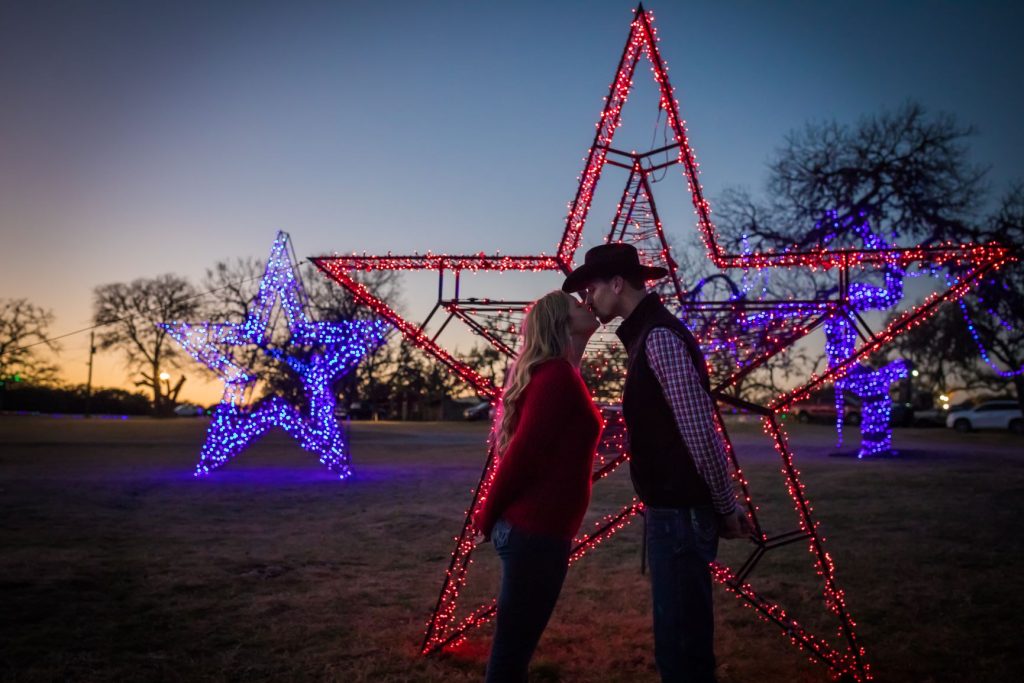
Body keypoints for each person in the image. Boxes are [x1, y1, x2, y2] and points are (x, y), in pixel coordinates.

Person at [562, 243, 751, 683]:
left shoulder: (660, 338)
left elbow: (699, 431)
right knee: (679, 638)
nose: (588, 299)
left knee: (682, 647)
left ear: (616, 283)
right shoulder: (647, 336)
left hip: (681, 514)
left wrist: (724, 507)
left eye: (591, 288)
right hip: (674, 512)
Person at [472, 290, 602, 683]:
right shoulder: (557, 377)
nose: (587, 306)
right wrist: (487, 516)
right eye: (578, 305)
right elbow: (522, 455)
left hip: (543, 531)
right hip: (534, 532)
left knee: (517, 648)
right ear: (561, 322)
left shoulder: (565, 373)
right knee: (512, 654)